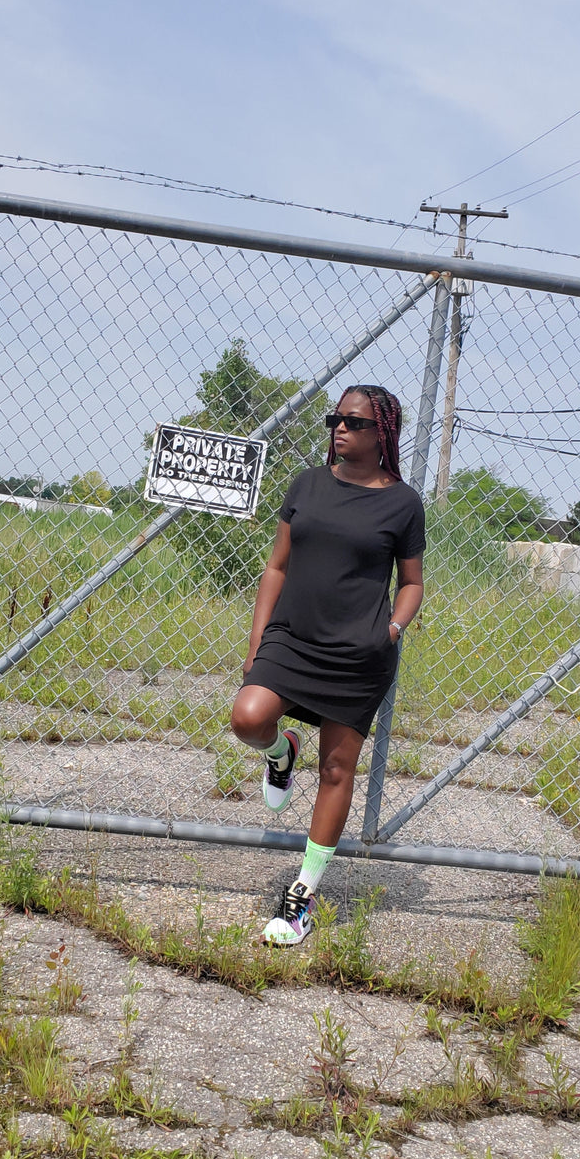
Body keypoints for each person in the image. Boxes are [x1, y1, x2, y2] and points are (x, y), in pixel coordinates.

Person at [230, 385, 425, 945]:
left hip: (356, 655)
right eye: (334, 418)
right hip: (291, 638)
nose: (340, 427)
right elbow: (277, 567)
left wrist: (391, 630)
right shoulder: (307, 485)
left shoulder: (403, 503)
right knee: (248, 717)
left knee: (337, 771)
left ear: (382, 432)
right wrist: (257, 638)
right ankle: (281, 752)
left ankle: (303, 896)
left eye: (353, 421)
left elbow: (411, 583)